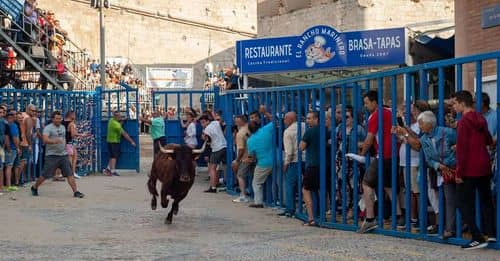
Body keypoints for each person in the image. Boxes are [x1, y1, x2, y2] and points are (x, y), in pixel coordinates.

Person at [453, 90, 496, 250]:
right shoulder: (480, 118)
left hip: (470, 168)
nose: (454, 107)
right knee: (486, 201)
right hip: (484, 164)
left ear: (462, 103)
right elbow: (489, 140)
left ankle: (477, 237)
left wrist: (459, 172)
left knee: (462, 202)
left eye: (455, 103)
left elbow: (462, 150)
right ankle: (491, 233)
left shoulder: (464, 122)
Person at [358, 90, 403, 233]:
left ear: (374, 102)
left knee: (367, 182)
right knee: (388, 185)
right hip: (396, 154)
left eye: (366, 103)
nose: (365, 106)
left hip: (383, 155)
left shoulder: (375, 116)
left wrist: (362, 151)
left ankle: (370, 219)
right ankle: (399, 216)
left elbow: (370, 138)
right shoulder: (391, 111)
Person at [416, 111, 457, 240]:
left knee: (461, 199)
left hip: (456, 168)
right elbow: (428, 159)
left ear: (429, 124)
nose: (419, 127)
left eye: (421, 124)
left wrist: (449, 161)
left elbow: (460, 146)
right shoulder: (423, 139)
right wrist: (438, 166)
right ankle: (450, 229)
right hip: (443, 172)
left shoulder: (447, 132)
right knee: (449, 199)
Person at [30, 111, 84, 198]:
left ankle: (76, 191)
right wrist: (54, 141)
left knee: (69, 174)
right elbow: (44, 140)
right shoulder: (48, 128)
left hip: (63, 155)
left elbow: (64, 138)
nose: (59, 120)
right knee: (45, 175)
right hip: (52, 155)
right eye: (57, 118)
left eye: (60, 118)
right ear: (52, 119)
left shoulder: (63, 127)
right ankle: (34, 187)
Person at [278, 111, 306, 217]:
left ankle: (290, 209)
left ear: (290, 119)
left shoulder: (287, 131)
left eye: (285, 119)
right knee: (307, 185)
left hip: (294, 161)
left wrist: (285, 164)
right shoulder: (304, 126)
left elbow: (289, 152)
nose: (284, 121)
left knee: (290, 185)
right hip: (306, 159)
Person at [246, 119, 274, 208]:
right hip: (276, 159)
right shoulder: (266, 129)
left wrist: (248, 160)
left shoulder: (250, 140)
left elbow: (252, 157)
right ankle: (282, 202)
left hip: (263, 163)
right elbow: (275, 120)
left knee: (256, 183)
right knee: (279, 182)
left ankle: (258, 202)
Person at [103, 111, 136, 176]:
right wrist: (132, 141)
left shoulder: (111, 120)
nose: (120, 117)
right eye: (119, 116)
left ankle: (107, 169)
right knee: (114, 157)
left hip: (110, 141)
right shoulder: (116, 125)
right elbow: (124, 134)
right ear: (116, 117)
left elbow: (119, 124)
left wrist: (123, 120)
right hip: (114, 141)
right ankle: (113, 171)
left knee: (112, 156)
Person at [199, 115, 227, 193]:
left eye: (203, 122)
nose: (202, 124)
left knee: (212, 168)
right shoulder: (215, 122)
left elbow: (205, 138)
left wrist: (203, 136)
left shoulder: (206, 129)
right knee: (226, 166)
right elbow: (222, 122)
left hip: (216, 148)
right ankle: (228, 183)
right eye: (201, 123)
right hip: (224, 145)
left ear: (208, 121)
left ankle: (213, 187)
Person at [231, 115, 253, 203]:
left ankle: (243, 195)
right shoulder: (250, 129)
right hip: (253, 155)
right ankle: (248, 190)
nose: (235, 123)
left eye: (237, 121)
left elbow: (241, 149)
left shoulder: (240, 133)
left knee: (240, 175)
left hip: (245, 158)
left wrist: (237, 160)